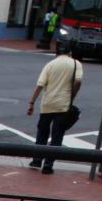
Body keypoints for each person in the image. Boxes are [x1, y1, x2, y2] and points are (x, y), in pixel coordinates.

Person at [27, 39, 82, 174]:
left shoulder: (50, 64)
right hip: (63, 105)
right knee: (57, 136)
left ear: (56, 53)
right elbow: (78, 80)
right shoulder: (75, 64)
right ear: (70, 52)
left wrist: (31, 103)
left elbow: (40, 85)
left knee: (42, 133)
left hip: (47, 104)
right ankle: (48, 165)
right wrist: (72, 94)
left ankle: (37, 160)